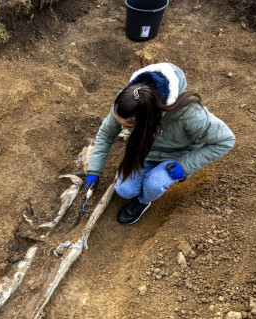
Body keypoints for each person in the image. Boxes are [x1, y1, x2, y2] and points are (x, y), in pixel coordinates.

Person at [86, 63, 235, 225]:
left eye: (128, 127)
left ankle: (143, 202)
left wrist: (185, 166)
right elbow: (106, 134)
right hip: (146, 151)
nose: (122, 129)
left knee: (154, 184)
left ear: (149, 119)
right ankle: (141, 189)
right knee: (124, 190)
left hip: (176, 156)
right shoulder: (128, 101)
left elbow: (226, 140)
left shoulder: (190, 114)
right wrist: (94, 170)